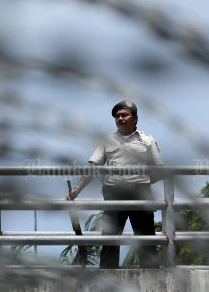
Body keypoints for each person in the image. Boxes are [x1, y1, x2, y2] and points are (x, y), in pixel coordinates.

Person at [65, 100, 163, 268]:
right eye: (117, 116)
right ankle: (108, 276)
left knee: (146, 238)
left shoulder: (147, 140)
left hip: (141, 194)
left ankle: (151, 275)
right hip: (113, 193)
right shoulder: (107, 141)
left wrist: (143, 182)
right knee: (110, 239)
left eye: (124, 115)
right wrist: (76, 190)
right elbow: (93, 167)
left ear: (135, 118)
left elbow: (159, 170)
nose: (120, 118)